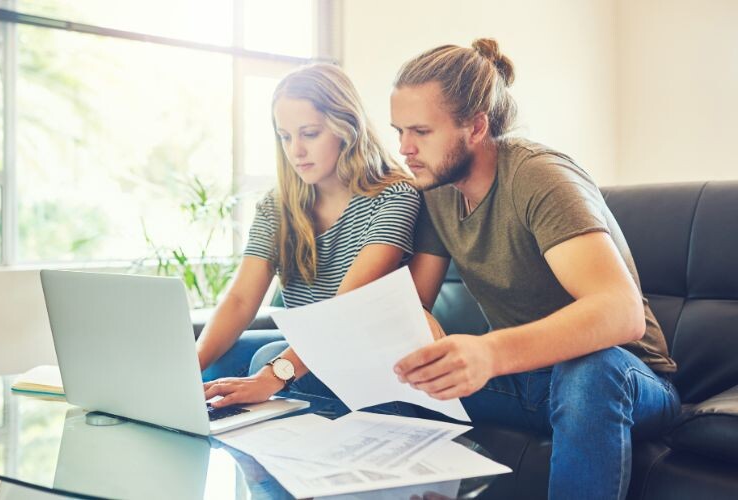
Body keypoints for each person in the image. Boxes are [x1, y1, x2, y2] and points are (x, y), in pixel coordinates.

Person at [389, 39, 681, 499]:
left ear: (476, 127)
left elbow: (621, 313)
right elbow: (412, 301)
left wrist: (489, 353)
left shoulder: (538, 176)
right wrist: (422, 330)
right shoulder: (435, 189)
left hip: (624, 380)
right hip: (527, 381)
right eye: (399, 131)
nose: (404, 148)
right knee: (393, 377)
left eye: (420, 132)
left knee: (589, 372)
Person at [198, 63, 419, 415]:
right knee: (219, 366)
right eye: (285, 136)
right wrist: (187, 369)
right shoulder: (277, 205)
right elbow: (241, 300)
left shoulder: (395, 197)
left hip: (369, 354)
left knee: (266, 358)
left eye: (310, 134)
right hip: (310, 349)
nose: (295, 150)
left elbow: (344, 312)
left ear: (346, 129)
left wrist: (273, 375)